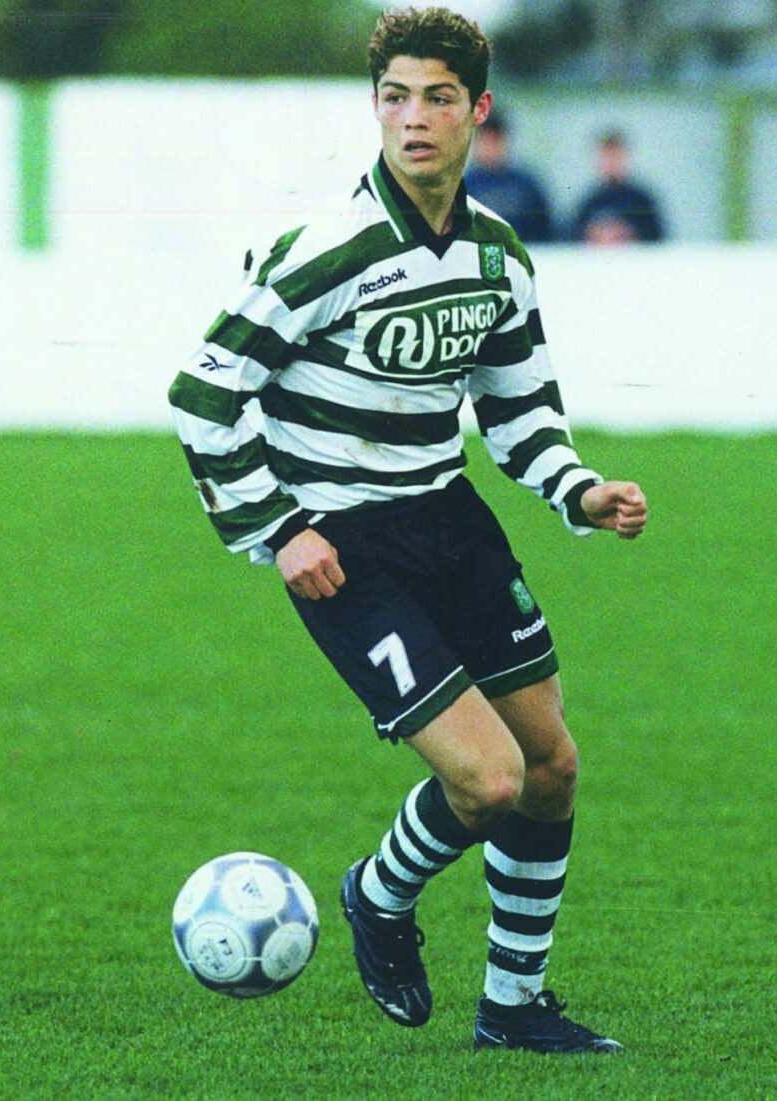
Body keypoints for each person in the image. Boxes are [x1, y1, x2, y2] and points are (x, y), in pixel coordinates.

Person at [168, 5, 647, 1055]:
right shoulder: (327, 250)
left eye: (437, 97)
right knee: (486, 780)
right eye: (395, 98)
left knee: (553, 766)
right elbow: (203, 393)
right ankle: (378, 897)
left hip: (452, 523)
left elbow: (520, 413)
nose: (414, 119)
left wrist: (579, 492)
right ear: (374, 108)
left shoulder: (498, 257)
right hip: (349, 550)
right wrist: (280, 528)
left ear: (477, 109)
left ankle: (514, 1009)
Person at [463, 109, 555, 244]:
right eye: (485, 141)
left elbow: (546, 231)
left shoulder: (526, 186)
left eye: (494, 140)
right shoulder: (463, 187)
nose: (489, 147)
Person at [573, 130, 666, 244]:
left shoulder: (642, 201)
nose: (611, 162)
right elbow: (573, 240)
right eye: (606, 156)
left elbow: (657, 240)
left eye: (615, 155)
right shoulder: (588, 203)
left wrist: (626, 235)